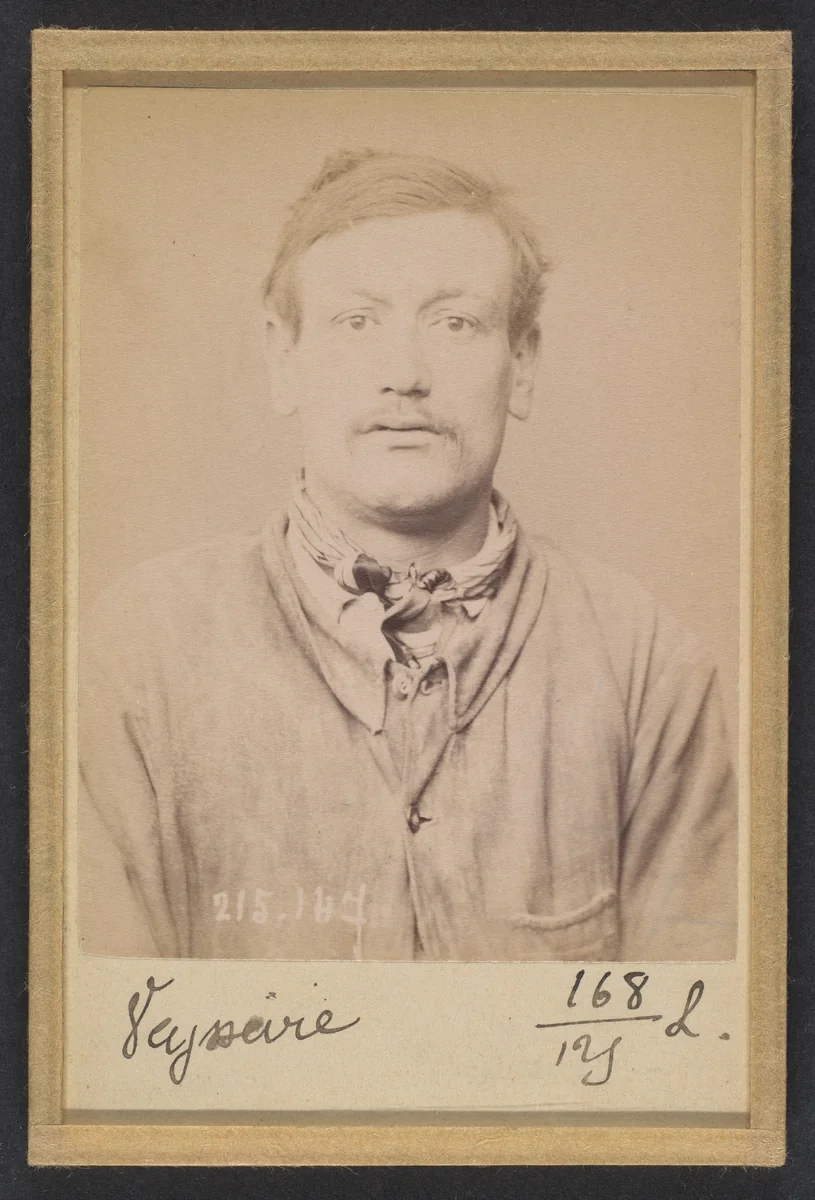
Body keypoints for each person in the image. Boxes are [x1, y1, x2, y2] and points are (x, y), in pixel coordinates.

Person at [79, 149, 737, 962]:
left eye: (454, 323)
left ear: (521, 364)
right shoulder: (140, 652)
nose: (404, 374)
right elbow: (106, 1052)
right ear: (284, 359)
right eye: (357, 322)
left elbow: (689, 1055)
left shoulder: (646, 664)